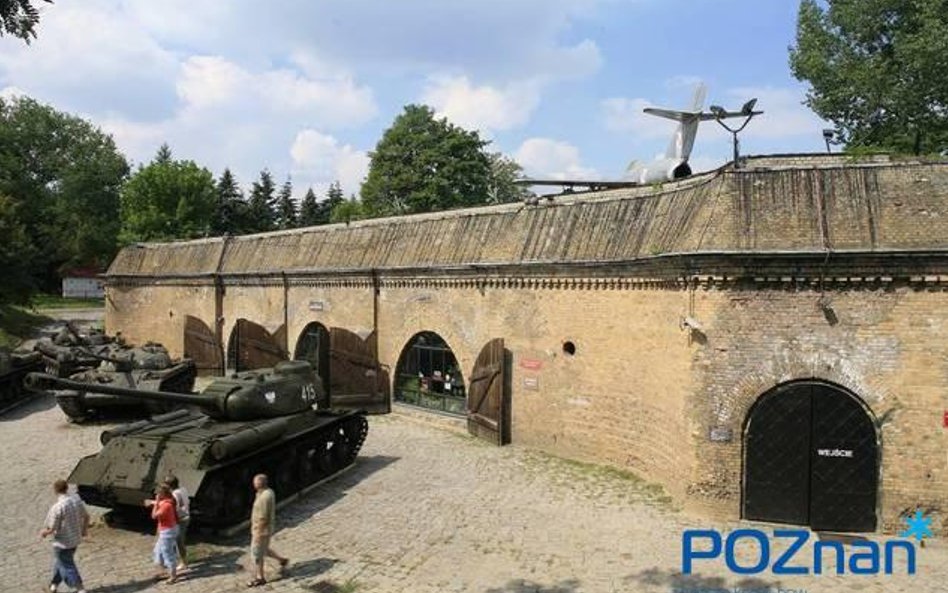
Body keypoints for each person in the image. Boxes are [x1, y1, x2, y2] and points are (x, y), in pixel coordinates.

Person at [40, 479, 89, 593]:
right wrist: (83, 530)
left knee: (67, 565)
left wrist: (44, 533)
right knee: (61, 562)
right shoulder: (76, 501)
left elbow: (53, 528)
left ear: (55, 491)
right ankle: (53, 586)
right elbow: (86, 517)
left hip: (62, 543)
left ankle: (80, 589)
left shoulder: (58, 507)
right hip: (75, 540)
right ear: (67, 488)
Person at [247, 474, 289, 587]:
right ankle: (281, 560)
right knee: (264, 549)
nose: (253, 484)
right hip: (264, 528)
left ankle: (260, 578)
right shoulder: (267, 492)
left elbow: (263, 518)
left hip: (261, 530)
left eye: (254, 482)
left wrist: (257, 534)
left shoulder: (265, 497)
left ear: (258, 483)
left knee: (256, 553)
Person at [145, 483, 179, 584]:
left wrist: (155, 504)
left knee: (167, 553)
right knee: (158, 551)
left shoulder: (167, 505)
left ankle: (173, 575)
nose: (156, 494)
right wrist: (153, 502)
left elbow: (154, 516)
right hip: (167, 530)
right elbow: (160, 503)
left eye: (158, 493)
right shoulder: (167, 501)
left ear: (162, 494)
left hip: (168, 532)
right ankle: (164, 571)